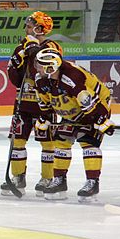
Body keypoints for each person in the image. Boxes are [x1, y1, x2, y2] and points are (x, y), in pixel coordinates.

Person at [34, 47, 111, 201]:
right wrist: (45, 117)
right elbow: (45, 100)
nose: (36, 67)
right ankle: (60, 181)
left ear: (51, 67)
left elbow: (89, 101)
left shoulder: (72, 77)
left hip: (94, 107)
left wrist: (101, 119)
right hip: (71, 110)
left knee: (88, 141)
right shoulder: (41, 79)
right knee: (61, 140)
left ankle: (92, 182)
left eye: (40, 64)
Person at [2, 12, 62, 196]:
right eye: (27, 26)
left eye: (30, 26)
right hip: (23, 103)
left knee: (47, 142)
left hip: (44, 103)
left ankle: (47, 177)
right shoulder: (22, 46)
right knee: (17, 141)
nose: (26, 30)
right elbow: (15, 78)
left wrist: (32, 49)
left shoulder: (52, 46)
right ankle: (18, 177)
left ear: (40, 28)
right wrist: (17, 61)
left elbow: (49, 67)